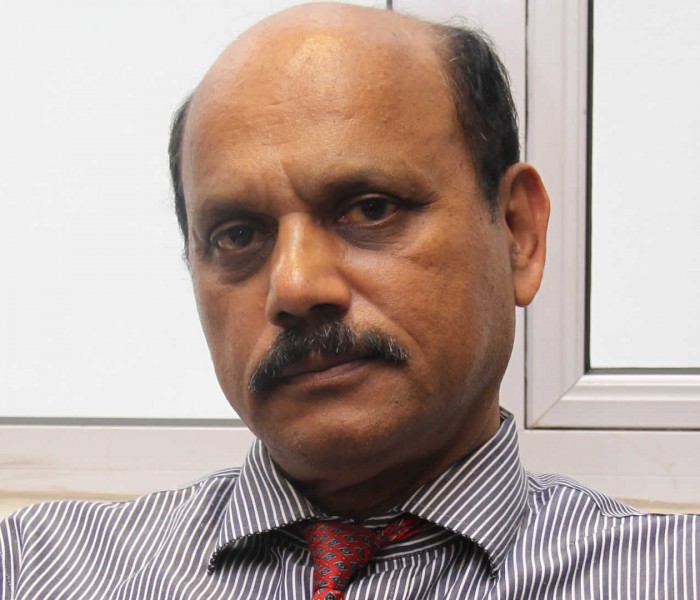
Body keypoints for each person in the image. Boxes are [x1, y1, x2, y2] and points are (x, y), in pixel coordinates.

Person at [1, 3, 697, 599]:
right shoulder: (41, 569)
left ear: (518, 233)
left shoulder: (668, 575)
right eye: (238, 235)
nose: (296, 287)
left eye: (369, 209)